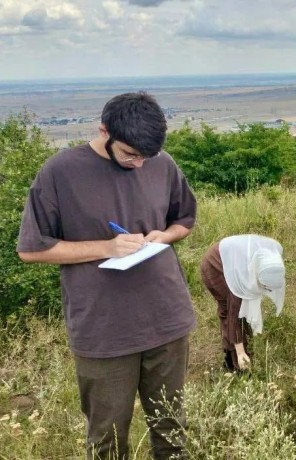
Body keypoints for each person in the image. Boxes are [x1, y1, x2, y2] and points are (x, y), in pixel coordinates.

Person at [16, 92, 197, 460]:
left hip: (167, 319)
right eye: (130, 154)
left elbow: (184, 221)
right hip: (104, 331)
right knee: (108, 440)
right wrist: (107, 247)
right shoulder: (60, 172)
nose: (139, 164)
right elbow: (31, 249)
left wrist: (163, 235)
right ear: (103, 131)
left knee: (171, 428)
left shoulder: (159, 162)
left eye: (147, 156)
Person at [200, 234, 285, 371]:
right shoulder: (240, 278)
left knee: (240, 315)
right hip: (214, 266)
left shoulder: (271, 261)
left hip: (232, 258)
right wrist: (241, 352)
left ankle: (234, 356)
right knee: (230, 312)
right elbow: (235, 316)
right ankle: (236, 364)